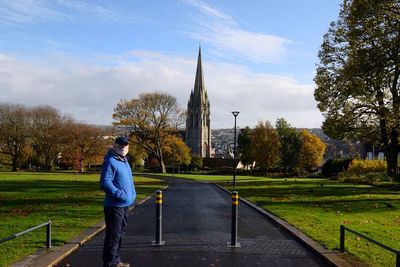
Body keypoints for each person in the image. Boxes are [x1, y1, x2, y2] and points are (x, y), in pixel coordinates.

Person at [100, 136, 136, 267]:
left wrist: (130, 196)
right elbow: (105, 183)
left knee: (119, 235)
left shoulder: (123, 160)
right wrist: (120, 195)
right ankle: (110, 263)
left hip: (124, 205)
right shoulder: (110, 161)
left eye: (125, 145)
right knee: (113, 236)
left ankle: (116, 261)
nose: (123, 147)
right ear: (115, 145)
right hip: (114, 205)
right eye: (120, 144)